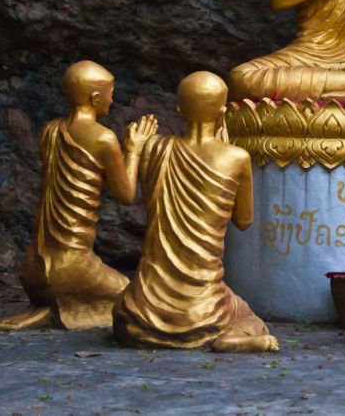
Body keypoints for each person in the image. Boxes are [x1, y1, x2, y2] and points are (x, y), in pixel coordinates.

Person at [113, 72, 278, 352]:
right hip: (205, 308)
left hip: (143, 311)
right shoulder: (236, 158)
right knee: (247, 317)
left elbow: (126, 194)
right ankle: (231, 338)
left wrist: (133, 149)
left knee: (120, 309)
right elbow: (244, 220)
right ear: (223, 112)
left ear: (179, 110)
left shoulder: (154, 148)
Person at [0, 61, 156, 330]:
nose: (113, 99)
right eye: (110, 93)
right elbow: (126, 194)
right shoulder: (103, 138)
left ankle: (51, 306)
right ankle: (66, 304)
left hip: (33, 269)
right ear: (95, 97)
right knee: (133, 295)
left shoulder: (50, 131)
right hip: (73, 268)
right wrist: (134, 149)